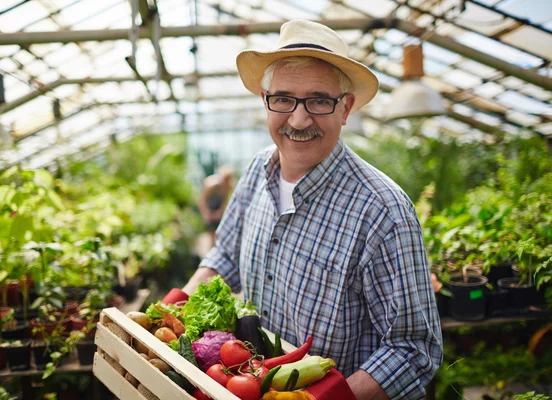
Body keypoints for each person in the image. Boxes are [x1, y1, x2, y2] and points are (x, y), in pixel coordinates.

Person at [180, 20, 443, 399]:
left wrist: (317, 398)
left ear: (346, 107)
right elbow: (225, 255)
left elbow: (414, 351)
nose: (299, 120)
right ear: (264, 99)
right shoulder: (257, 171)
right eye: (284, 98)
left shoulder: (382, 211)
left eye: (320, 100)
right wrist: (173, 307)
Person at [197, 165, 236, 244]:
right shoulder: (210, 185)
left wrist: (219, 213)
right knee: (211, 236)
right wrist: (206, 214)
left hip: (218, 213)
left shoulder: (228, 187)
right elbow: (202, 200)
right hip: (209, 210)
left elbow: (226, 203)